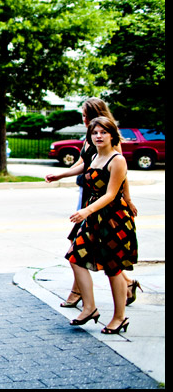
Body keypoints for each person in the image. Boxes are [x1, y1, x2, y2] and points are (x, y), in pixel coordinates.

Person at [45, 98, 141, 308]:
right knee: (80, 248)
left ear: (93, 113)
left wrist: (128, 199)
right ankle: (120, 286)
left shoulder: (109, 141)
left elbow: (120, 175)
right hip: (90, 196)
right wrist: (60, 175)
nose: (83, 118)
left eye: (84, 114)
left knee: (101, 252)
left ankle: (84, 294)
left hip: (105, 202)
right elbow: (82, 165)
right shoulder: (92, 138)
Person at [64, 117, 138, 334]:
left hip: (114, 219)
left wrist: (86, 210)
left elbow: (112, 194)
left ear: (112, 135)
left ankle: (119, 317)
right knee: (75, 257)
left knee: (113, 269)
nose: (98, 136)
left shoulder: (117, 160)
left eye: (103, 132)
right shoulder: (95, 156)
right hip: (93, 216)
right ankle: (89, 308)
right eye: (95, 132)